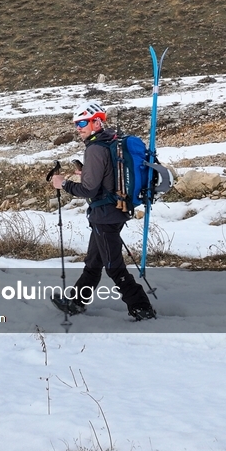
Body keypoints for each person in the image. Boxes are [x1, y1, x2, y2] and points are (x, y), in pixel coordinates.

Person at [50, 102, 155, 320]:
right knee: (94, 262)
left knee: (114, 267)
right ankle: (76, 301)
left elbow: (88, 189)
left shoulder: (96, 148)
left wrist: (64, 183)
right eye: (76, 124)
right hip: (114, 211)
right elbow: (106, 178)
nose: (78, 128)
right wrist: (85, 172)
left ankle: (141, 307)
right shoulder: (111, 141)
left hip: (105, 216)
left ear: (96, 122)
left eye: (82, 123)